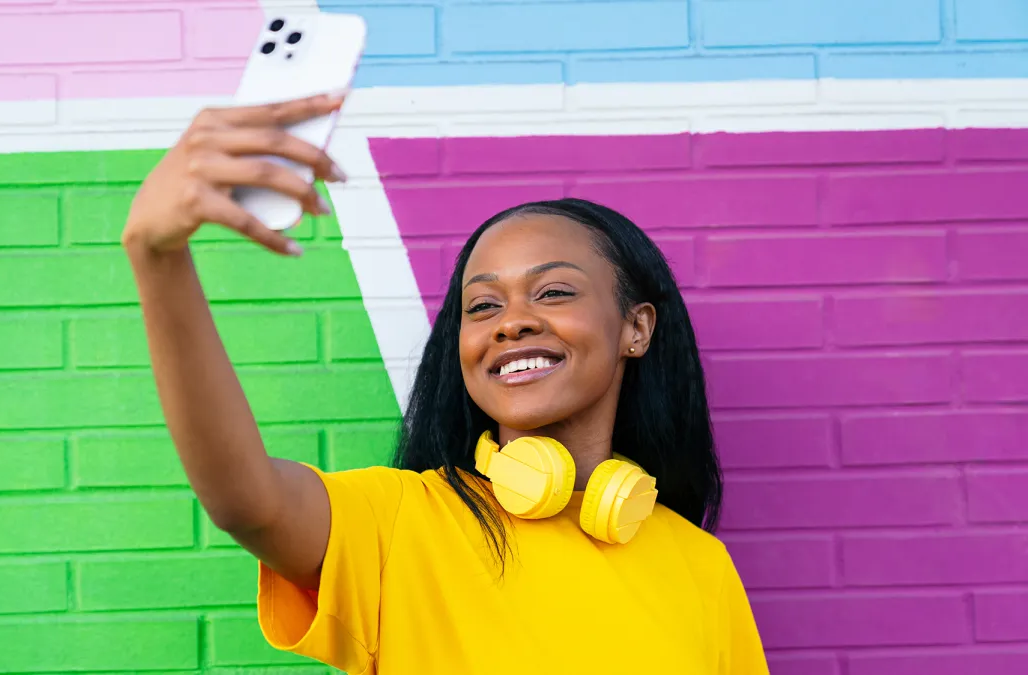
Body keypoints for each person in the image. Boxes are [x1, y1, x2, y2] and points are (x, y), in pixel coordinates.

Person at [122, 93, 770, 674]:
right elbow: (246, 499)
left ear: (636, 326)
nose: (512, 321)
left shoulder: (699, 565)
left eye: (553, 291)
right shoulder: (397, 522)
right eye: (482, 306)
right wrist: (157, 256)